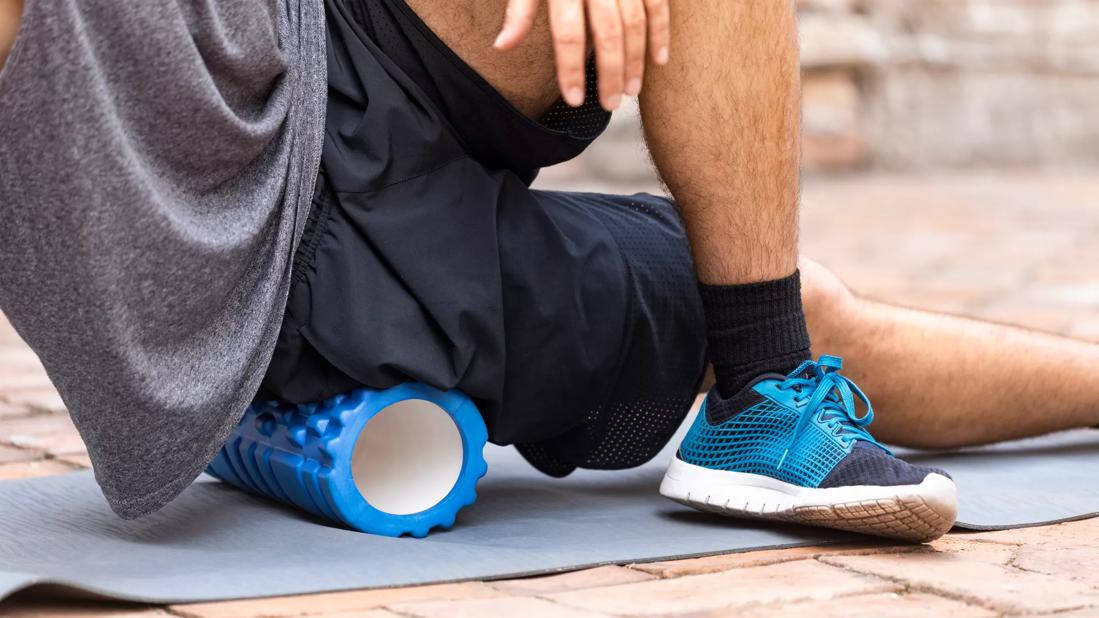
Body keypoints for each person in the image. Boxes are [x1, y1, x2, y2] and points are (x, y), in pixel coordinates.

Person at [2, 0, 1097, 543]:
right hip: (250, 251)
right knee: (800, 309)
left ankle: (764, 394)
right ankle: (765, 389)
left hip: (317, 44)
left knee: (765, 309)